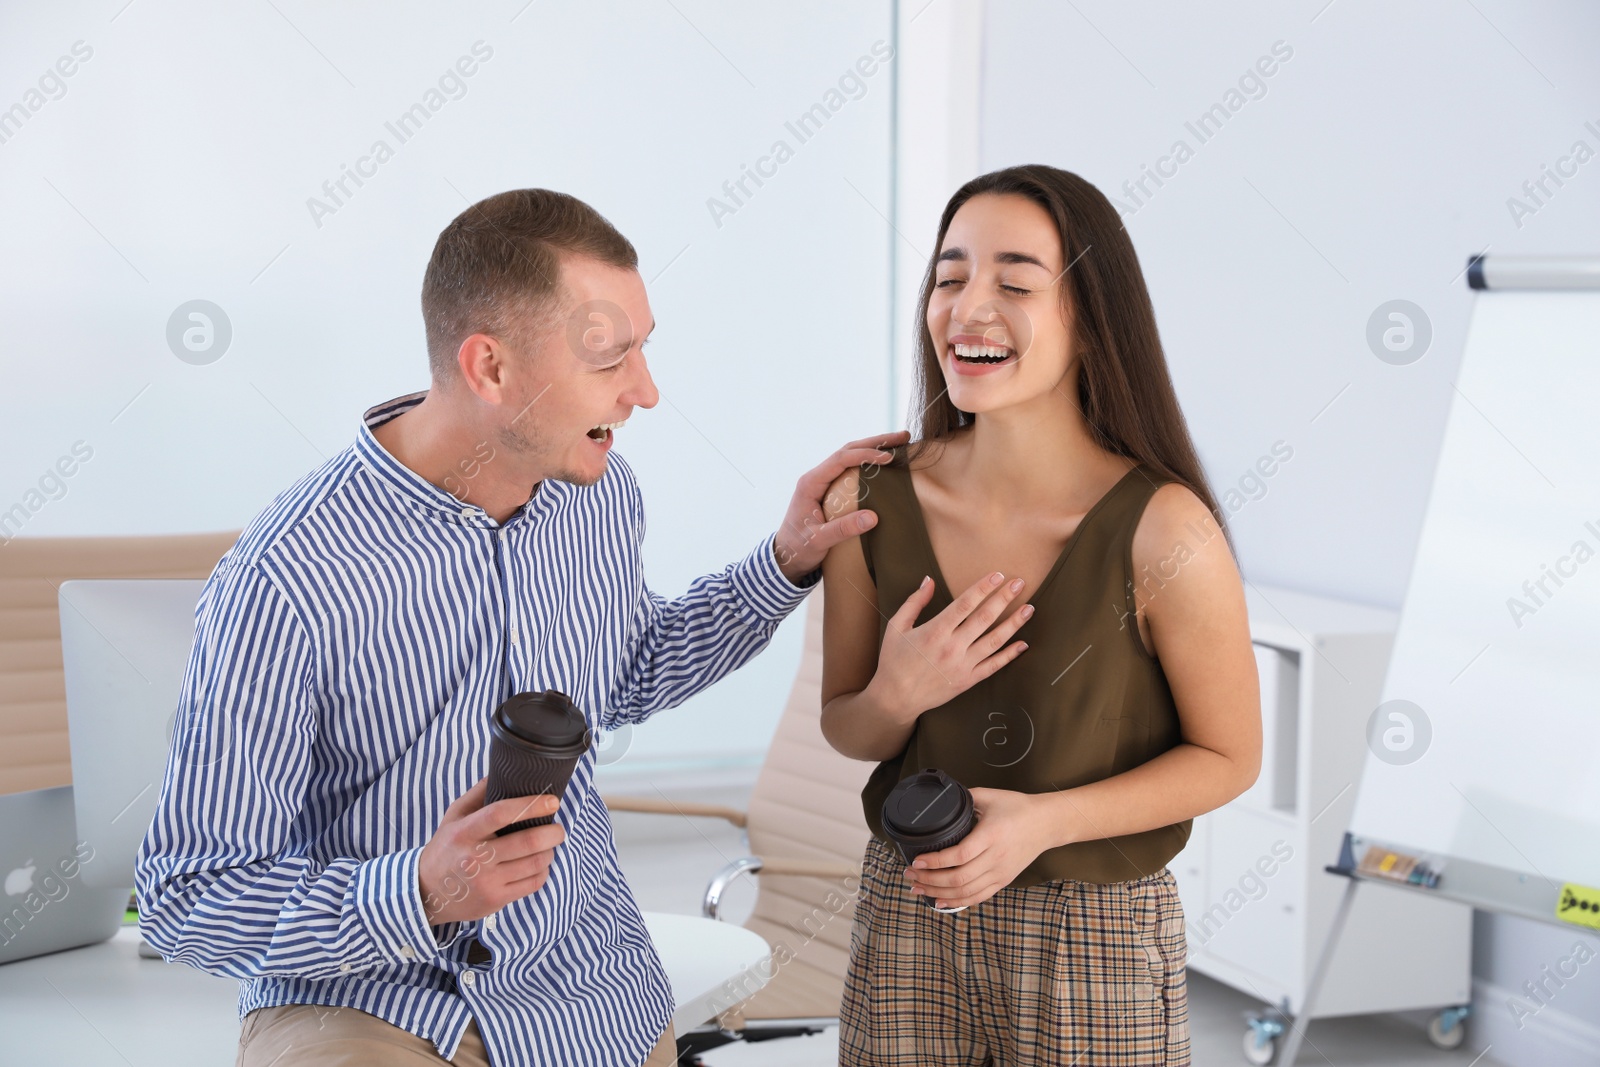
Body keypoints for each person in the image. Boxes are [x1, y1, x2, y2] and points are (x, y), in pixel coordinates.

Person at [134, 188, 906, 1067]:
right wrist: (418, 892)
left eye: (643, 350)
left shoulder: (599, 493)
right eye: (610, 357)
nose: (646, 393)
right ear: (490, 368)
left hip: (582, 993)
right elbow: (187, 894)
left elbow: (629, 670)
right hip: (370, 1000)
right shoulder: (288, 578)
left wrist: (783, 562)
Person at [818, 164, 1262, 1066]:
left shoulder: (1165, 529)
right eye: (949, 278)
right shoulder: (863, 501)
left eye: (1015, 282)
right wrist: (900, 692)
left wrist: (1042, 821)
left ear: (1092, 321)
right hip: (911, 910)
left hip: (1092, 930)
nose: (966, 307)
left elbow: (1229, 757)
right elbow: (849, 728)